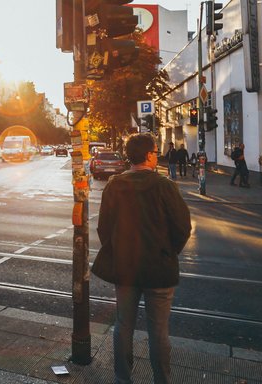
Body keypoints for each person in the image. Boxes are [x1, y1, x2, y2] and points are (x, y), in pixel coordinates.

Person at [97, 133, 192, 384]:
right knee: (159, 331)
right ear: (149, 155)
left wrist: (118, 251)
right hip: (159, 269)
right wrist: (168, 251)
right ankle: (162, 380)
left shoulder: (114, 185)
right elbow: (182, 227)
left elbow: (103, 228)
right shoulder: (165, 186)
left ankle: (122, 379)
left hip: (125, 268)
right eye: (155, 152)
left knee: (123, 325)